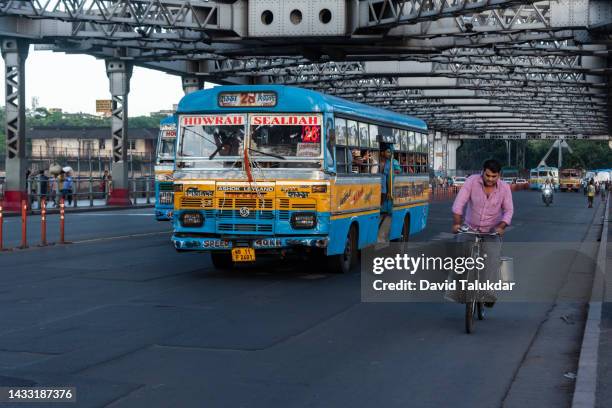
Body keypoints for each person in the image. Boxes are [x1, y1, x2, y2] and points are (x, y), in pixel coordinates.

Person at [451, 159, 514, 307]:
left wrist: (502, 226)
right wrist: (456, 223)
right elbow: (459, 204)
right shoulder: (471, 181)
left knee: (492, 259)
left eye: (494, 176)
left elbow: (509, 210)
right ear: (482, 172)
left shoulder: (505, 188)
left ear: (499, 175)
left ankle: (489, 293)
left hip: (491, 231)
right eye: (488, 175)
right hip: (470, 228)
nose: (490, 179)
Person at [379, 144, 400, 212]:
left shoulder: (394, 162)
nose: (389, 154)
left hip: (391, 183)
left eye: (390, 152)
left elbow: (398, 171)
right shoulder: (383, 161)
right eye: (387, 152)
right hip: (384, 183)